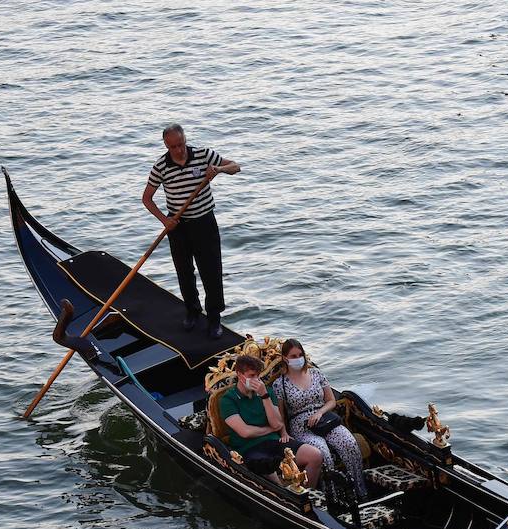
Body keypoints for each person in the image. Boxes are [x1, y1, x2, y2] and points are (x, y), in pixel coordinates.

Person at [142, 123, 240, 340]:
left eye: (181, 144)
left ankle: (214, 318)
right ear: (166, 146)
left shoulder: (203, 154)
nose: (179, 150)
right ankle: (192, 311)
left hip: (205, 222)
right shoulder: (161, 166)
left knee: (211, 271)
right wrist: (164, 220)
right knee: (184, 271)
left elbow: (236, 166)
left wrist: (218, 170)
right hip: (178, 225)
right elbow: (146, 198)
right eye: (173, 146)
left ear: (185, 139)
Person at [274, 338, 367, 497]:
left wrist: (319, 413)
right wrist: (284, 433)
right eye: (293, 356)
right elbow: (280, 414)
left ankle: (359, 491)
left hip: (325, 419)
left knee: (349, 442)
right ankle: (332, 497)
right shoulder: (279, 384)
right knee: (322, 451)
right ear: (285, 358)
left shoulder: (316, 374)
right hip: (302, 427)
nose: (298, 359)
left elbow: (331, 401)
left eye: (300, 354)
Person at [218, 355, 322, 486]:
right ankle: (285, 498)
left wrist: (264, 396)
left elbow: (277, 424)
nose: (256, 380)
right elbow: (245, 432)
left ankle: (308, 497)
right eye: (251, 375)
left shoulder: (267, 392)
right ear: (239, 374)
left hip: (274, 442)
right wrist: (271, 429)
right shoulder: (228, 400)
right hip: (249, 449)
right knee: (269, 469)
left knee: (315, 455)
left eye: (258, 376)